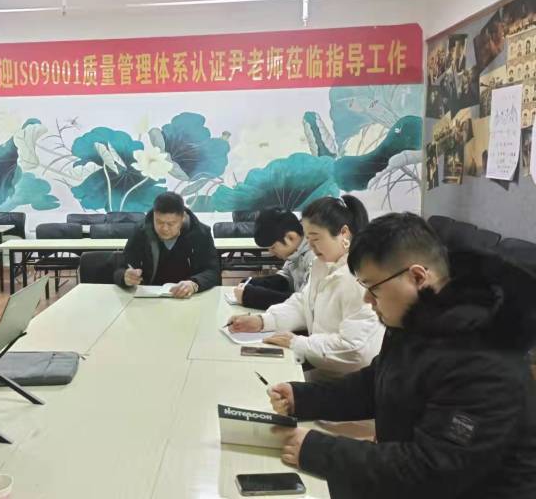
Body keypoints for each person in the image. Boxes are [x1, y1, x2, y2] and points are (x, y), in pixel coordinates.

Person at [269, 213, 536, 499]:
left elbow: (433, 469)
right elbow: (376, 383)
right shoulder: (414, 320)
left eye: (373, 288)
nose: (367, 300)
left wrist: (320, 451)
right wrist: (303, 398)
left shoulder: (484, 361)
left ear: (418, 277)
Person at [227, 196, 383, 378]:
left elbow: (355, 350)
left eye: (315, 238)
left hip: (352, 381)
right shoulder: (322, 265)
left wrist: (298, 343)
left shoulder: (359, 278)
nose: (310, 246)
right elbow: (303, 304)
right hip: (325, 367)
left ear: (344, 233)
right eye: (308, 239)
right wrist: (263, 321)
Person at [113, 192, 220, 298]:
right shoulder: (142, 231)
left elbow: (212, 271)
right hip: (150, 297)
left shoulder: (200, 233)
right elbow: (120, 268)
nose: (164, 228)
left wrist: (194, 284)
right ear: (154, 215)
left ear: (183, 218)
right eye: (159, 222)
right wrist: (125, 277)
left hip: (189, 297)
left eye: (171, 223)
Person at [232, 207, 314, 310]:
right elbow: (286, 278)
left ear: (291, 237)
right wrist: (252, 282)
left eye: (273, 247)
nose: (271, 252)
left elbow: (304, 303)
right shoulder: (295, 252)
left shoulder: (315, 256)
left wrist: (252, 296)